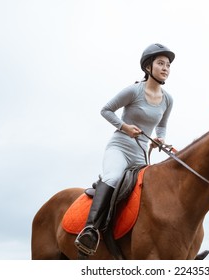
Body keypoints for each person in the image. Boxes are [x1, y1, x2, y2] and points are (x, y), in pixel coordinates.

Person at [74, 43, 175, 255]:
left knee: (148, 192)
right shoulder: (134, 90)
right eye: (160, 63)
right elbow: (106, 110)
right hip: (119, 146)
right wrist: (125, 127)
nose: (165, 68)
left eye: (167, 65)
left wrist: (160, 139)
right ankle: (90, 230)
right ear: (148, 67)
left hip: (140, 153)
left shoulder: (168, 99)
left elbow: (162, 125)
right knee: (113, 177)